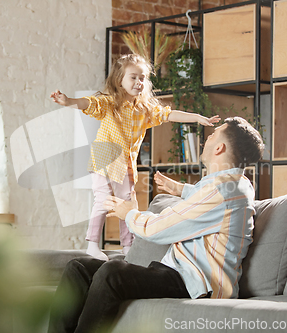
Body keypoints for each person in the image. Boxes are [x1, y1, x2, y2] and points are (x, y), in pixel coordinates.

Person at [48, 116, 265, 333]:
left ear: (220, 147)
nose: (206, 139)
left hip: (198, 284)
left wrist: (129, 213)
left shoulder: (224, 191)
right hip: (176, 272)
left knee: (112, 273)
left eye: (212, 135)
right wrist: (182, 190)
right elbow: (207, 202)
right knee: (79, 268)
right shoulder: (234, 185)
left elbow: (158, 228)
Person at [50, 54, 220, 261]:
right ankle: (92, 245)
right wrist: (68, 101)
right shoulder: (110, 103)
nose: (139, 82)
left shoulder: (145, 109)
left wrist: (197, 118)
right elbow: (88, 103)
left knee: (128, 203)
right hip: (104, 156)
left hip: (126, 162)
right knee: (103, 199)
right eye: (133, 77)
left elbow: (169, 114)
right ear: (119, 79)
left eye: (142, 78)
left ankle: (127, 246)